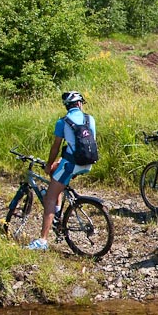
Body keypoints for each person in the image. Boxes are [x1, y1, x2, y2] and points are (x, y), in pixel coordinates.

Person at [27, 91, 96, 251]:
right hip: (88, 162)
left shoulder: (63, 122)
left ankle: (42, 241)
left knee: (49, 198)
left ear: (67, 106)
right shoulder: (90, 119)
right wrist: (57, 163)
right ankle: (57, 211)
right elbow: (89, 143)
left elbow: (55, 147)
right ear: (79, 104)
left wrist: (49, 163)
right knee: (56, 172)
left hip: (71, 164)